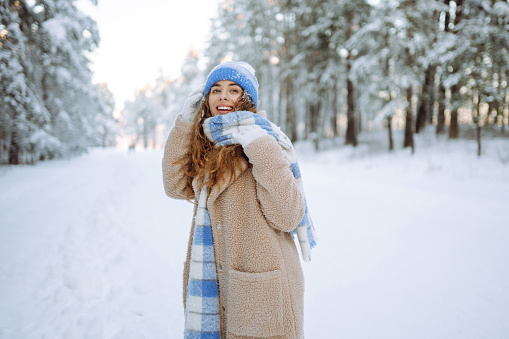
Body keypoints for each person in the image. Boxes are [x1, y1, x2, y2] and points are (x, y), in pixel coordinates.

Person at [162, 61, 316, 339]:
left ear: (246, 99)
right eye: (216, 90)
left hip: (262, 289)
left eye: (233, 90)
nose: (223, 96)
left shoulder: (267, 141)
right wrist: (185, 124)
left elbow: (289, 215)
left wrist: (259, 147)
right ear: (206, 100)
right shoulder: (207, 148)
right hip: (220, 283)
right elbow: (174, 186)